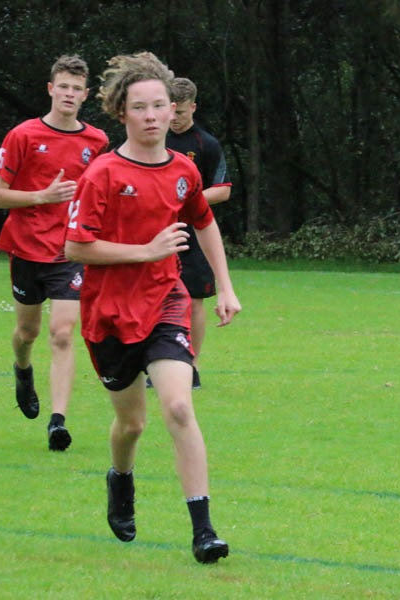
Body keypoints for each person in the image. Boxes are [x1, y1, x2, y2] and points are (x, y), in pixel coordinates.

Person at [64, 51, 240, 564]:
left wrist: (225, 287)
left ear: (172, 110)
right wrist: (143, 251)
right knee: (132, 425)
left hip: (166, 299)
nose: (151, 116)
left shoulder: (184, 170)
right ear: (121, 112)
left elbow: (203, 221)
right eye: (139, 107)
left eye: (159, 105)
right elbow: (76, 246)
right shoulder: (102, 174)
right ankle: (120, 477)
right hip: (109, 312)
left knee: (179, 406)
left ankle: (204, 531)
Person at [0, 54, 109, 451]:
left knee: (62, 333)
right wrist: (42, 196)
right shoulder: (22, 135)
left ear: (86, 95)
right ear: (51, 89)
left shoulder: (97, 142)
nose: (69, 94)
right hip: (26, 247)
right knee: (28, 332)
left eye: (77, 88)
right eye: (64, 87)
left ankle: (58, 422)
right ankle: (23, 369)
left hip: (69, 251)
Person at [151, 76, 232, 390]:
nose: (174, 118)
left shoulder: (206, 144)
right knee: (156, 297)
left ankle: (192, 366)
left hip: (194, 233)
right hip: (155, 232)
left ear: (193, 108)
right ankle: (158, 362)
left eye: (181, 112)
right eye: (170, 111)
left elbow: (223, 190)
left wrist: (184, 201)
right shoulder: (153, 138)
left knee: (194, 300)